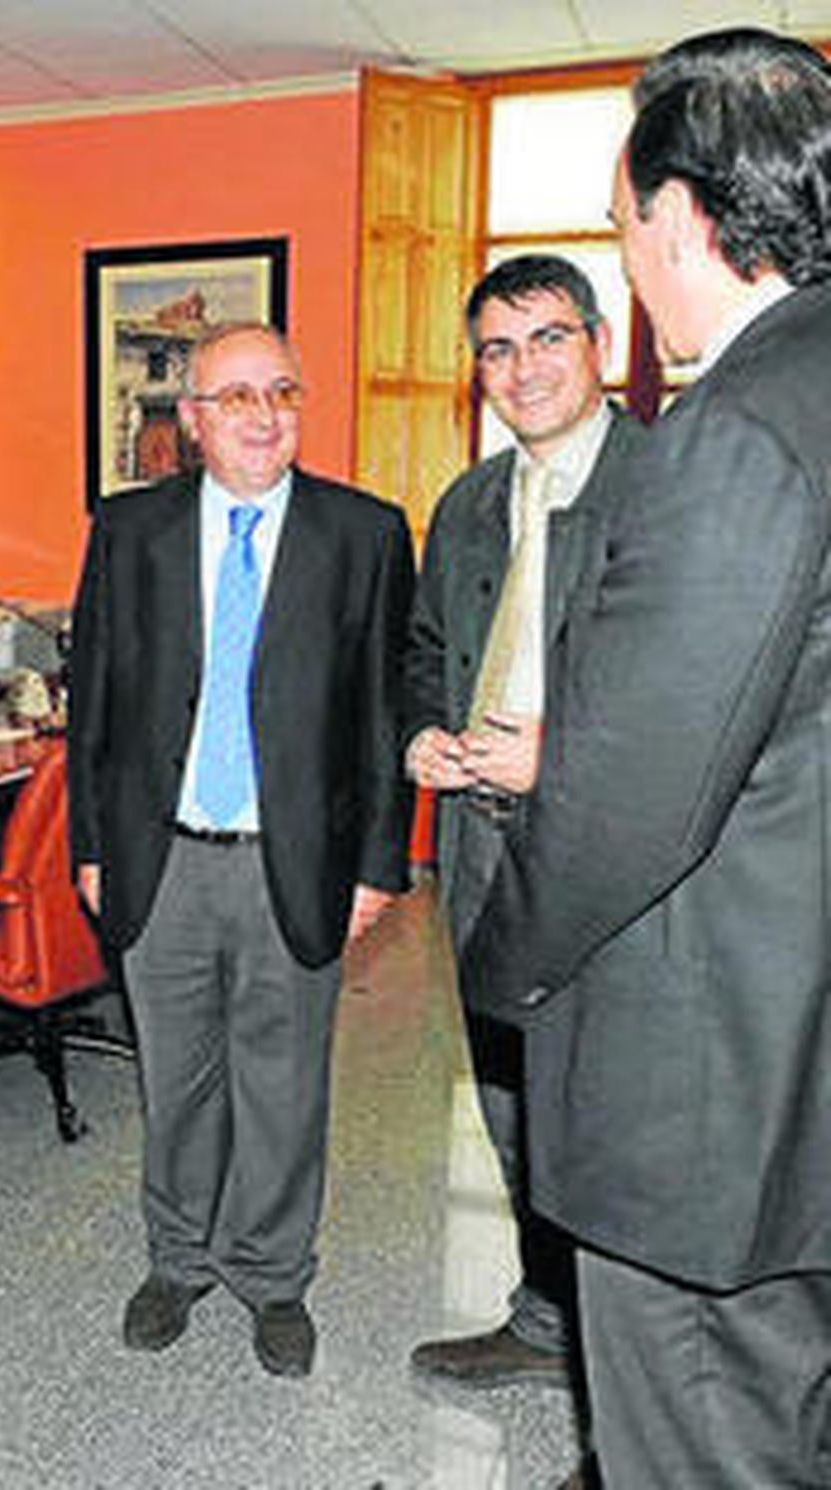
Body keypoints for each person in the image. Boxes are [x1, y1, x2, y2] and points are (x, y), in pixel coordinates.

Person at [461, 28, 831, 1486]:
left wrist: (501, 966)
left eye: (621, 229)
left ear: (680, 217)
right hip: (794, 1033)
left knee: (699, 1435)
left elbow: (630, 797)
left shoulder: (734, 430)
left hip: (707, 1086)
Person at [68, 322, 414, 1377]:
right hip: (159, 857)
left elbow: (382, 717)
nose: (263, 416)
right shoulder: (129, 530)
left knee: (282, 1082)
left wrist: (376, 865)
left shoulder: (363, 533)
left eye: (281, 392)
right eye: (235, 397)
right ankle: (176, 1259)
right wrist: (91, 842)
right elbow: (97, 703)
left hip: (292, 861)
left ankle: (271, 1275)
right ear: (191, 421)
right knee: (177, 1080)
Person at [403, 256, 646, 1391]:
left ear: (598, 342)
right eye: (497, 348)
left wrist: (563, 753)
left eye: (548, 337)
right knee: (508, 1096)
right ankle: (548, 1319)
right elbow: (419, 653)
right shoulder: (467, 502)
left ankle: (626, 1379)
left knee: (615, 1109)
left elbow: (713, 689)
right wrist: (419, 735)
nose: (522, 368)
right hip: (481, 849)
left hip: (612, 851)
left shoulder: (668, 487)